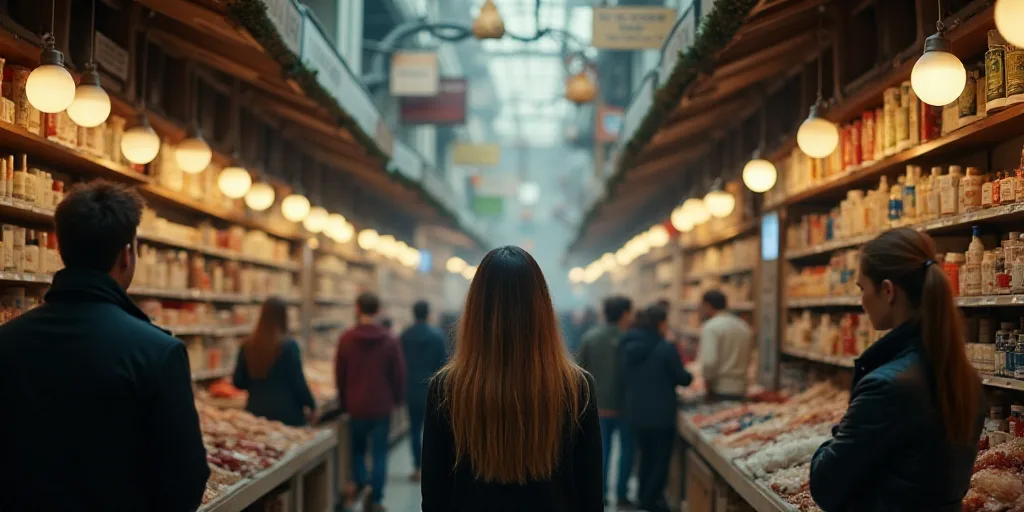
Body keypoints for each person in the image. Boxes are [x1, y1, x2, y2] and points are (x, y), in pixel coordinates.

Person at [0, 181, 209, 510]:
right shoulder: (157, 352)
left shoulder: (7, 341)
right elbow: (186, 481)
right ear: (126, 255)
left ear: (61, 251)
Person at [810, 228, 984, 511]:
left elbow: (825, 486)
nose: (861, 300)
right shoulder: (963, 376)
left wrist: (838, 433)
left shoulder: (886, 385)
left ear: (888, 291)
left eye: (862, 288)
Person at [421, 246, 602, 512]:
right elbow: (592, 496)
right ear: (543, 309)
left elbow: (435, 497)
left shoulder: (447, 388)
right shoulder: (577, 388)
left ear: (475, 309)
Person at [335, 292, 406, 511]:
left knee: (357, 450)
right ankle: (376, 498)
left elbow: (340, 373)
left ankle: (361, 481)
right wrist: (397, 398)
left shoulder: (347, 338)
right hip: (381, 405)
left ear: (357, 309)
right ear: (378, 311)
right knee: (379, 452)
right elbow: (398, 373)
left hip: (356, 404)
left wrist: (343, 399)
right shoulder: (389, 339)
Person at [619, 304, 693, 512]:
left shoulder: (627, 345)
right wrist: (691, 377)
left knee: (645, 456)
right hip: (661, 414)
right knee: (660, 459)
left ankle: (643, 497)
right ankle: (651, 501)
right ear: (661, 323)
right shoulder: (665, 348)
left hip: (635, 412)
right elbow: (682, 378)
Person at [577, 295, 636, 508]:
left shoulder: (590, 337)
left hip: (597, 406)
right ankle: (621, 493)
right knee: (627, 452)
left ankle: (600, 495)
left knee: (600, 454)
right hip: (626, 406)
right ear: (625, 313)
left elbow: (580, 370)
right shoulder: (630, 338)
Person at [233, 297, 317, 427]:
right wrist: (311, 405)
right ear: (284, 317)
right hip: (287, 414)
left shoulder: (247, 345)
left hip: (256, 413)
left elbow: (238, 382)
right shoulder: (289, 346)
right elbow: (298, 382)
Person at [399, 300, 448, 482]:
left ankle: (417, 466)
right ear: (428, 314)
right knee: (432, 431)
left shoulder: (404, 336)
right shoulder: (437, 336)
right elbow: (443, 363)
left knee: (414, 428)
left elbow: (400, 364)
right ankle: (430, 468)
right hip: (432, 390)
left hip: (411, 389)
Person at [698, 290, 754, 401]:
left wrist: (707, 387)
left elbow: (709, 363)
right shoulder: (743, 326)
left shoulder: (711, 327)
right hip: (741, 388)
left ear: (707, 306)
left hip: (719, 389)